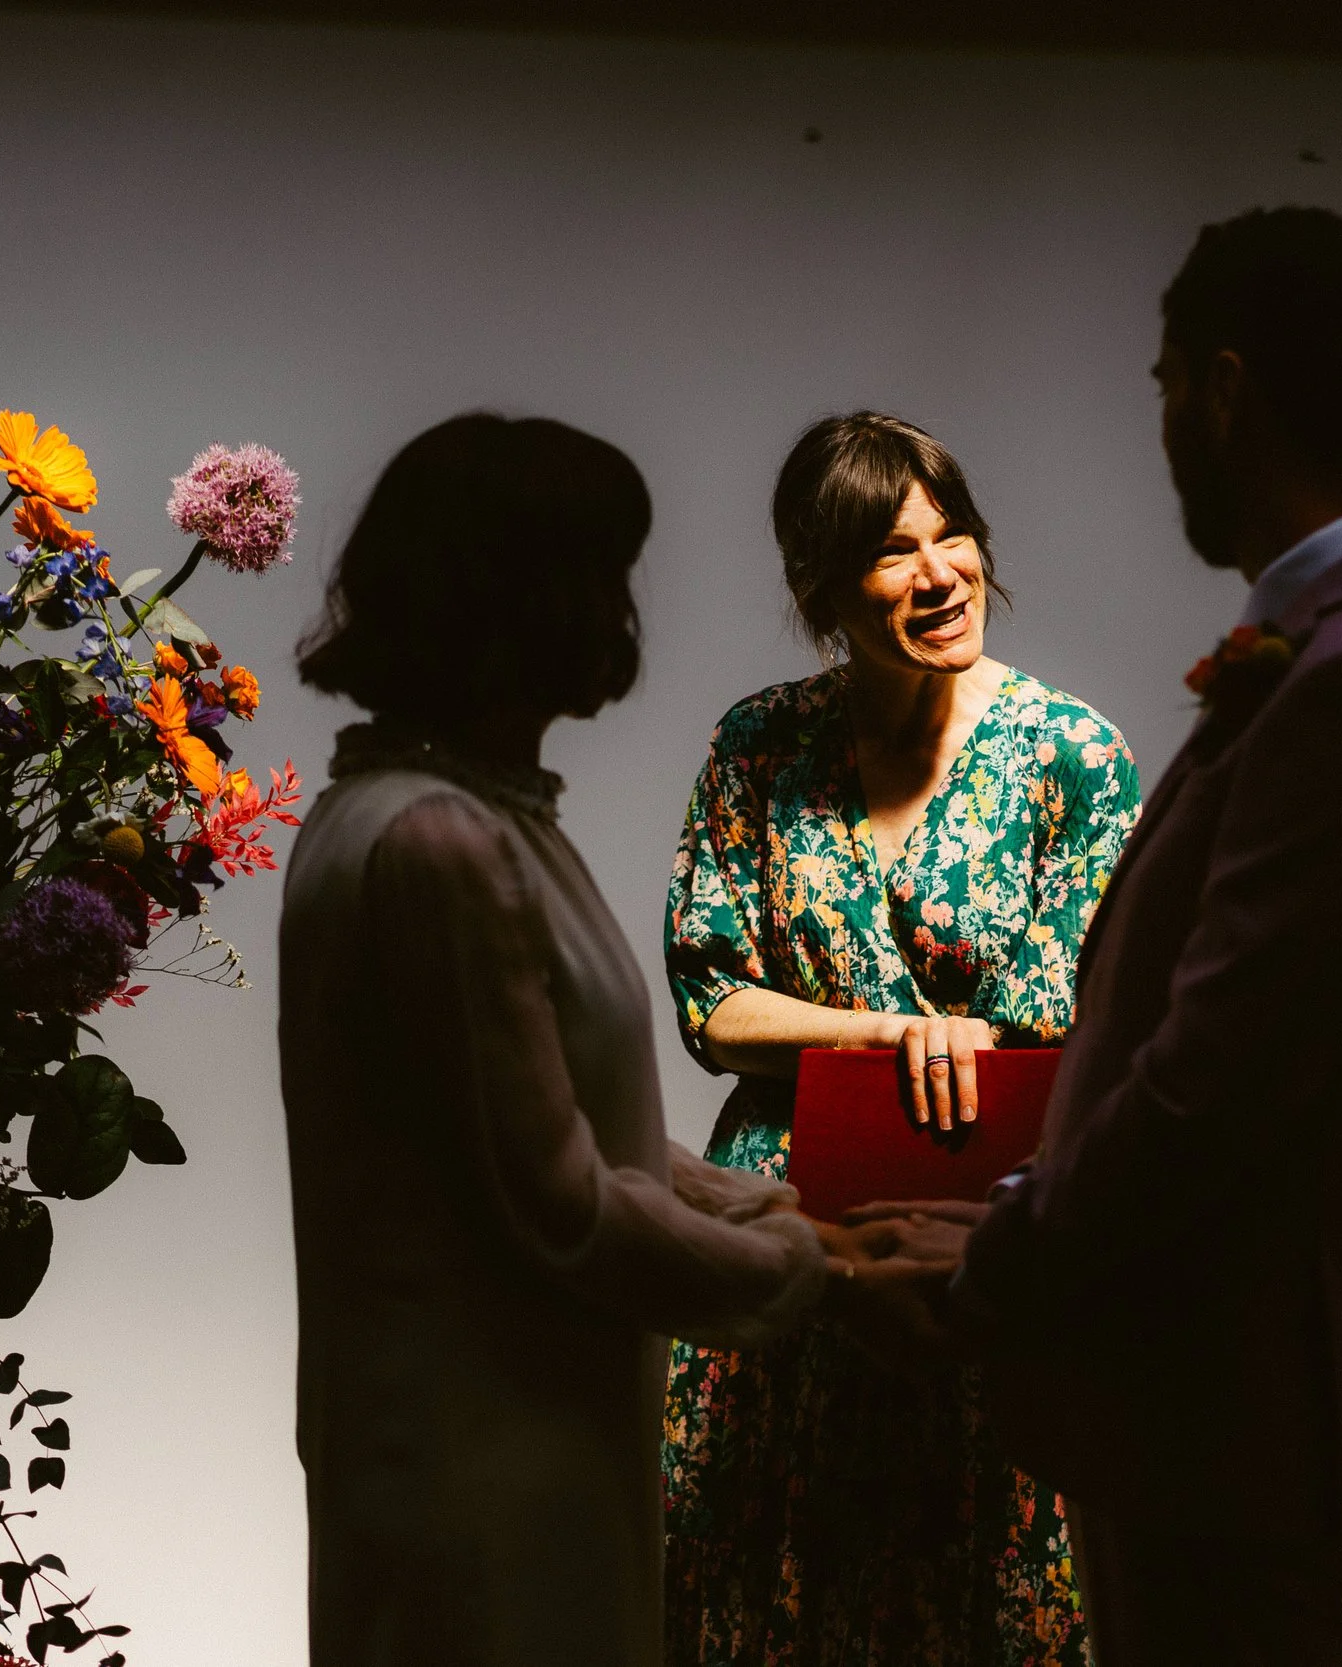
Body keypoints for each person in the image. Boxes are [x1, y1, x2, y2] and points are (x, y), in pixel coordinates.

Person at [855, 206, 1342, 1665]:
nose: (1162, 425)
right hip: (1203, 1388)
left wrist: (998, 1259)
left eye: (1165, 386)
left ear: (1225, 390)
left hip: (1225, 1397)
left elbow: (1219, 1080)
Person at [280, 414, 886, 1667]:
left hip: (513, 1441)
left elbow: (570, 1125)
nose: (624, 613)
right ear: (519, 599)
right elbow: (559, 1201)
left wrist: (784, 1210)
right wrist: (808, 1274)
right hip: (485, 1469)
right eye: (606, 574)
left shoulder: (439, 815)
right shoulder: (441, 843)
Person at [660, 412, 1139, 1664]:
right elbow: (713, 1000)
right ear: (822, 586)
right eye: (891, 550)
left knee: (972, 1600)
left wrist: (942, 1046)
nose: (939, 572)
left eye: (953, 533)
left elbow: (1073, 1016)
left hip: (974, 1250)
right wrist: (887, 1028)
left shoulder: (1070, 754)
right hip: (785, 1248)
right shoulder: (759, 745)